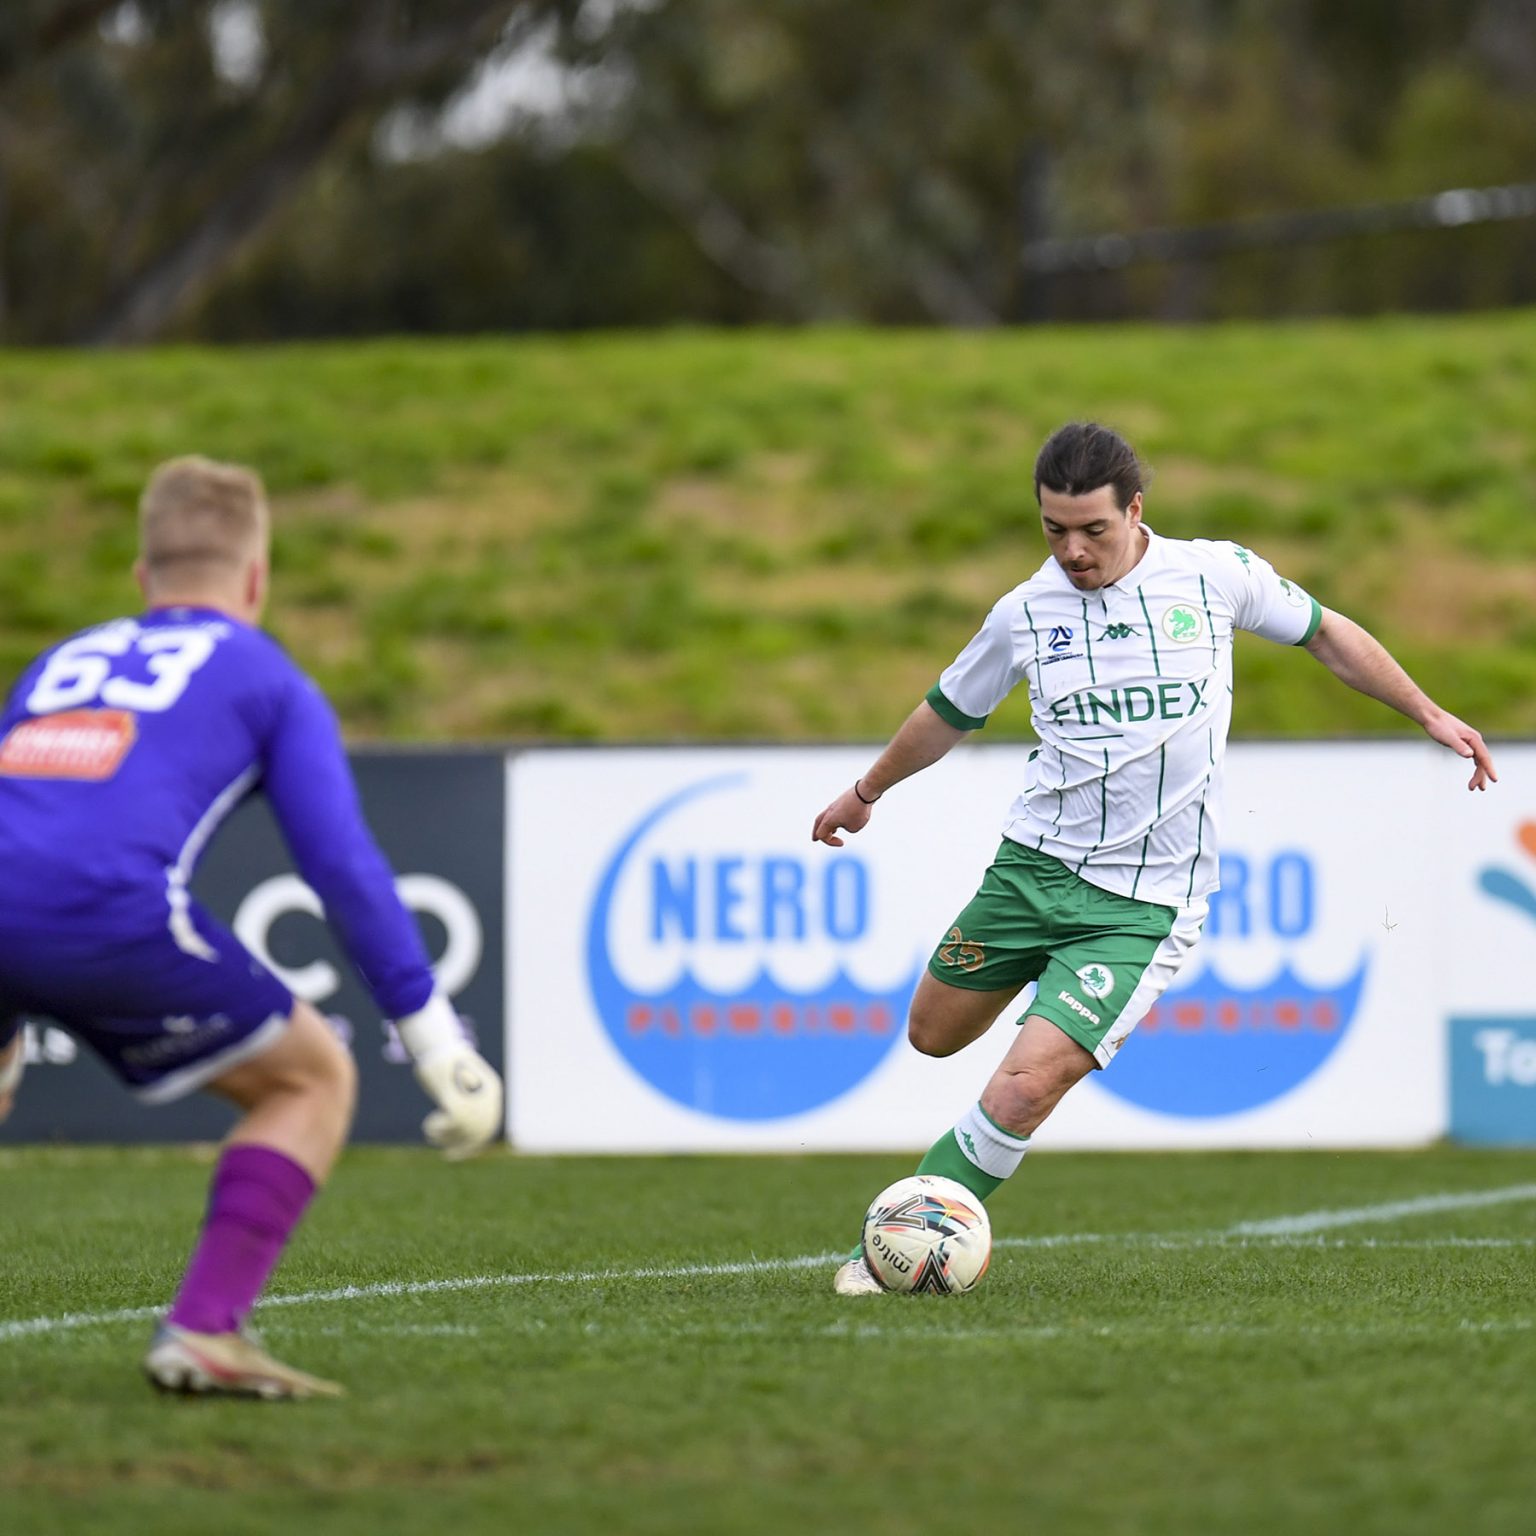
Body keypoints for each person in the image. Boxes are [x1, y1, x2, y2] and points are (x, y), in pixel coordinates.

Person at [812, 421, 1496, 1296]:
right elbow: (947, 711)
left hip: (1143, 907)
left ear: (1136, 510)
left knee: (1024, 1088)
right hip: (1030, 871)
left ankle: (909, 1244)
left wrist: (1429, 712)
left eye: (1093, 529)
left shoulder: (1214, 576)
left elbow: (1328, 633)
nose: (1074, 551)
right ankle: (1022, 1034)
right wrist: (865, 794)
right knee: (930, 1034)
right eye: (1054, 530)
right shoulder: (1026, 613)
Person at [0, 456, 503, 1394]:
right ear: (258, 578)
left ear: (143, 579)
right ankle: (204, 1328)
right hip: (104, 913)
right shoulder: (266, 676)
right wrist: (434, 1037)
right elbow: (341, 867)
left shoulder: (60, 661)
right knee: (312, 1078)